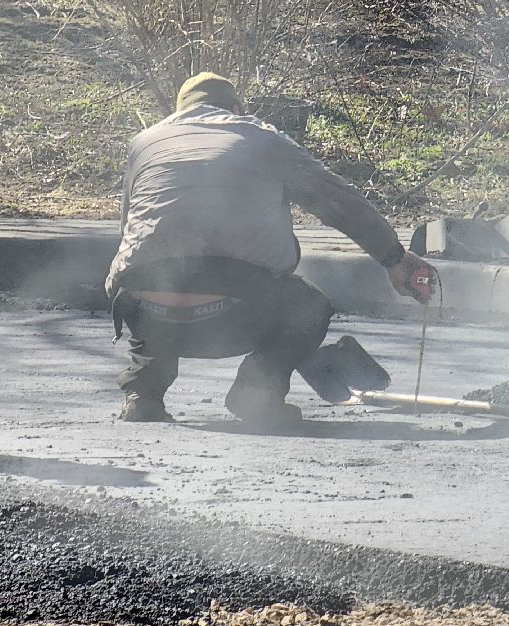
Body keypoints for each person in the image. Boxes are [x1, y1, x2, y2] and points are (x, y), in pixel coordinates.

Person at [107, 72, 438, 426]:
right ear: (236, 108)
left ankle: (143, 395)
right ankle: (256, 396)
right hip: (229, 312)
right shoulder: (262, 138)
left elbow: (130, 232)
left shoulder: (144, 142)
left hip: (145, 308)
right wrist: (393, 257)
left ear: (181, 112)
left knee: (160, 275)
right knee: (310, 307)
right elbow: (337, 201)